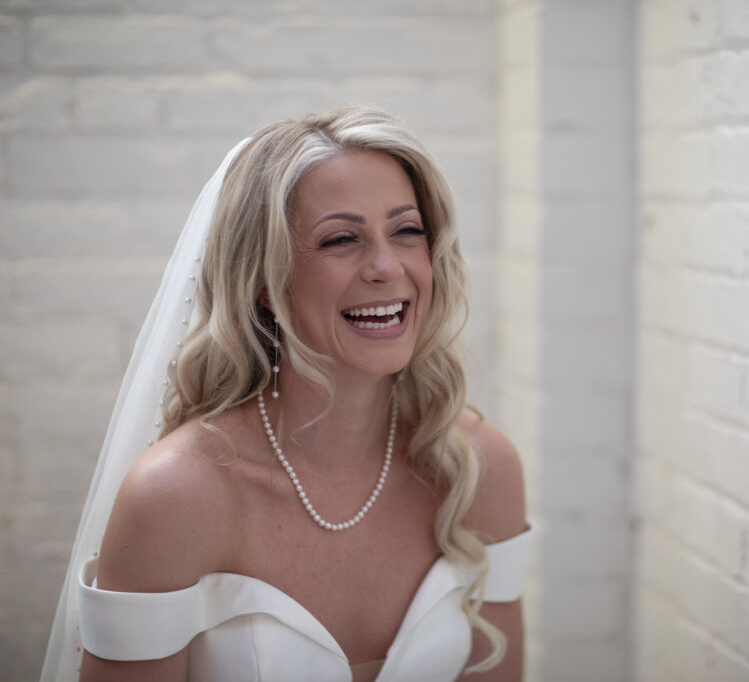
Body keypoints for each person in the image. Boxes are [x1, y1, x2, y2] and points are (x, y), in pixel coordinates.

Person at [40, 106, 530, 682]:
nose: (385, 265)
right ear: (265, 284)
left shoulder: (479, 469)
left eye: (406, 231)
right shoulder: (175, 498)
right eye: (341, 239)